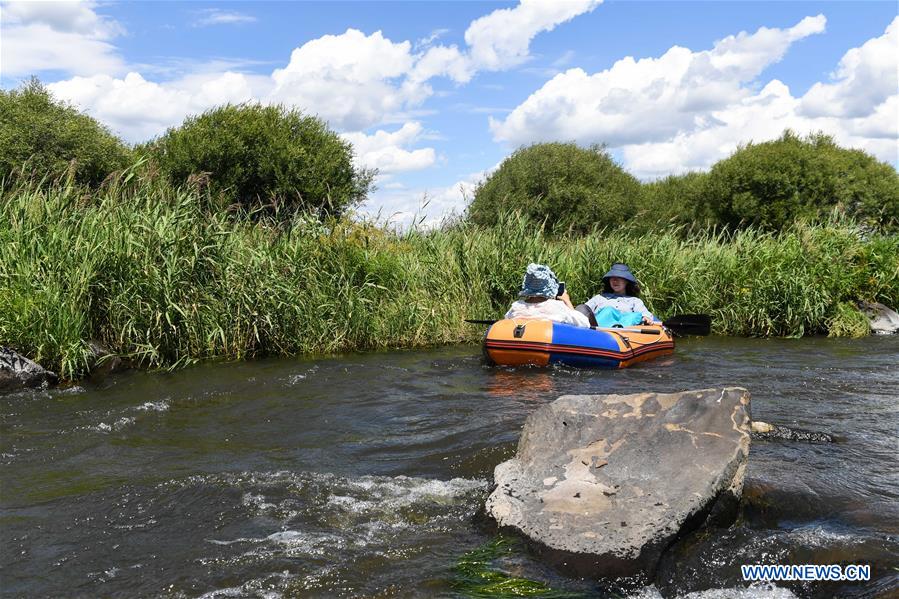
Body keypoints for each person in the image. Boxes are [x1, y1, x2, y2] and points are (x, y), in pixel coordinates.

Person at [505, 263, 590, 328]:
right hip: (549, 346)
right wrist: (567, 301)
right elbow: (584, 324)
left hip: (524, 347)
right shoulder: (557, 307)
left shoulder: (515, 307)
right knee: (583, 309)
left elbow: (506, 320)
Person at [584, 263, 659, 325]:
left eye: (619, 278)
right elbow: (583, 311)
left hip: (626, 334)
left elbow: (644, 314)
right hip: (600, 331)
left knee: (635, 316)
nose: (615, 281)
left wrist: (646, 317)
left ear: (626, 281)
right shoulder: (599, 298)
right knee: (608, 310)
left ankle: (618, 328)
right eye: (612, 278)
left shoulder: (634, 301)